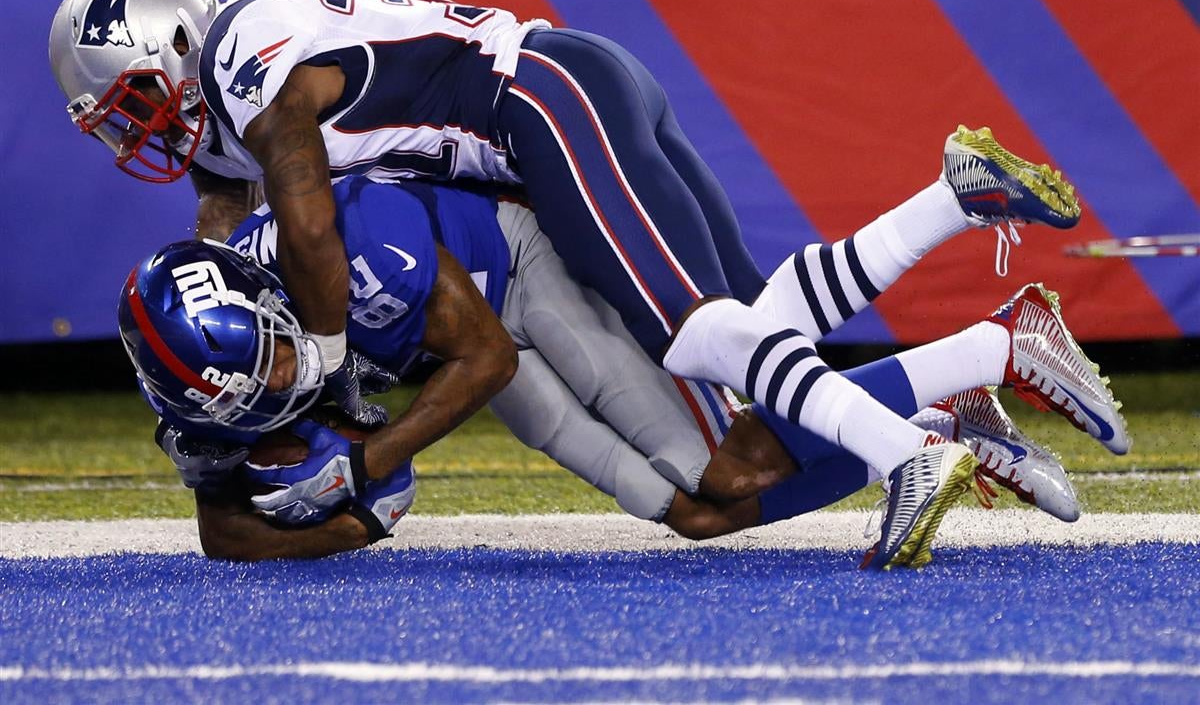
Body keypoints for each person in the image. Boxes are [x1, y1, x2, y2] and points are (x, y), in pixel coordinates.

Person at [57, 0, 1103, 569]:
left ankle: (923, 395)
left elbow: (308, 225)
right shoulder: (222, 141)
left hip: (539, 107)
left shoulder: (245, 53)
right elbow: (219, 252)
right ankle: (965, 342)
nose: (133, 137)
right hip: (550, 116)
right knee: (750, 357)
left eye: (133, 103)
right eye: (115, 126)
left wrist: (331, 385)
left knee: (701, 336)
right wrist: (202, 420)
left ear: (173, 38)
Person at [122, 176, 1104, 564]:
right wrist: (333, 525)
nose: (285, 381)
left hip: (520, 276)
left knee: (728, 463)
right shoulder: (207, 392)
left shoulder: (351, 243)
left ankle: (988, 352)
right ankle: (944, 418)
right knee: (690, 507)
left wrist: (366, 467)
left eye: (283, 351)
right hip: (467, 356)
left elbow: (488, 352)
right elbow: (223, 531)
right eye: (254, 386)